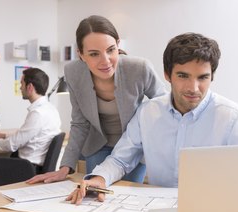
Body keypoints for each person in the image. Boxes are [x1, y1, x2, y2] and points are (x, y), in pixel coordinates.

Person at [66, 32, 238, 204]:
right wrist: (99, 178)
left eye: (202, 77)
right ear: (167, 75)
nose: (193, 88)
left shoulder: (232, 117)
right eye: (183, 76)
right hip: (156, 209)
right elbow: (120, 160)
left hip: (214, 208)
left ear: (212, 76)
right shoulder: (147, 113)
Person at [26, 15, 167, 185]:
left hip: (133, 147)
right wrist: (65, 167)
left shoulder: (139, 69)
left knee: (126, 197)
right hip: (98, 145)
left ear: (118, 44)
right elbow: (79, 123)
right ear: (81, 54)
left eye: (110, 50)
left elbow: (164, 109)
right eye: (94, 54)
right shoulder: (73, 72)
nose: (105, 61)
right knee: (95, 196)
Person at [0, 67, 61, 192]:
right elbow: (31, 135)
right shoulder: (51, 109)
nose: (20, 88)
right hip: (33, 167)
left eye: (21, 84)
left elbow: (11, 146)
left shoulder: (37, 113)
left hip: (25, 170)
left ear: (29, 87)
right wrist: (4, 135)